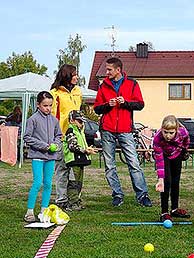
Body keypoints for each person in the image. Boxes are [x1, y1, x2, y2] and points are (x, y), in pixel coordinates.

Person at [94, 57, 152, 207]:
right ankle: (117, 194)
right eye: (106, 69)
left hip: (126, 129)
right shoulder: (103, 86)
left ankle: (142, 195)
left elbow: (140, 104)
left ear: (118, 70)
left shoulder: (132, 84)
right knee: (109, 165)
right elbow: (97, 108)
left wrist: (125, 103)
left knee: (134, 163)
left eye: (109, 70)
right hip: (107, 130)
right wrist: (108, 105)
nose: (106, 72)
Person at [23, 91, 62, 222]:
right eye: (45, 105)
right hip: (38, 156)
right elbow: (27, 137)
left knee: (48, 184)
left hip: (51, 157)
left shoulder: (54, 120)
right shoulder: (32, 119)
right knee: (38, 182)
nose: (48, 108)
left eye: (50, 105)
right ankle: (29, 212)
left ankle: (44, 211)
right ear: (38, 104)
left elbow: (59, 136)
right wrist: (44, 145)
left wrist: (55, 144)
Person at [50, 64, 82, 207]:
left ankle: (74, 199)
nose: (77, 77)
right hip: (61, 137)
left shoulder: (78, 92)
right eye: (74, 74)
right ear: (66, 75)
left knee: (76, 171)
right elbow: (51, 116)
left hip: (76, 137)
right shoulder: (54, 93)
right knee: (62, 170)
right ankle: (62, 200)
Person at [153, 115, 190, 221]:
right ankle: (164, 212)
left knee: (175, 181)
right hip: (164, 156)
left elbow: (186, 140)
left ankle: (174, 209)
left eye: (171, 133)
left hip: (177, 154)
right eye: (165, 132)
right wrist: (160, 180)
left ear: (176, 130)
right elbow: (159, 162)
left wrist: (184, 149)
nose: (168, 136)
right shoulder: (157, 139)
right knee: (166, 182)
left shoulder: (183, 132)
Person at [63, 110, 98, 211]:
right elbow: (72, 146)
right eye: (79, 121)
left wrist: (88, 150)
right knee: (73, 183)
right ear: (72, 121)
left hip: (80, 161)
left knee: (79, 183)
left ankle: (77, 200)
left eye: (82, 122)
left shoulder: (80, 132)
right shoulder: (70, 131)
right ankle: (72, 203)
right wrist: (85, 150)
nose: (82, 124)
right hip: (73, 161)